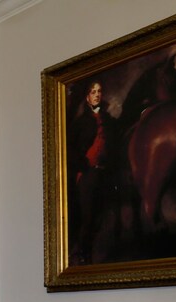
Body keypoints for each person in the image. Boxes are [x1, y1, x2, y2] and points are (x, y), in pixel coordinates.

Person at [67, 80, 120, 265]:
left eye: (99, 91)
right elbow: (70, 150)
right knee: (87, 217)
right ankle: (83, 255)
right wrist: (83, 165)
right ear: (87, 96)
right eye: (93, 91)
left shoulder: (109, 121)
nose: (97, 94)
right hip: (87, 175)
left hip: (105, 174)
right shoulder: (80, 123)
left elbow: (114, 147)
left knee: (101, 216)